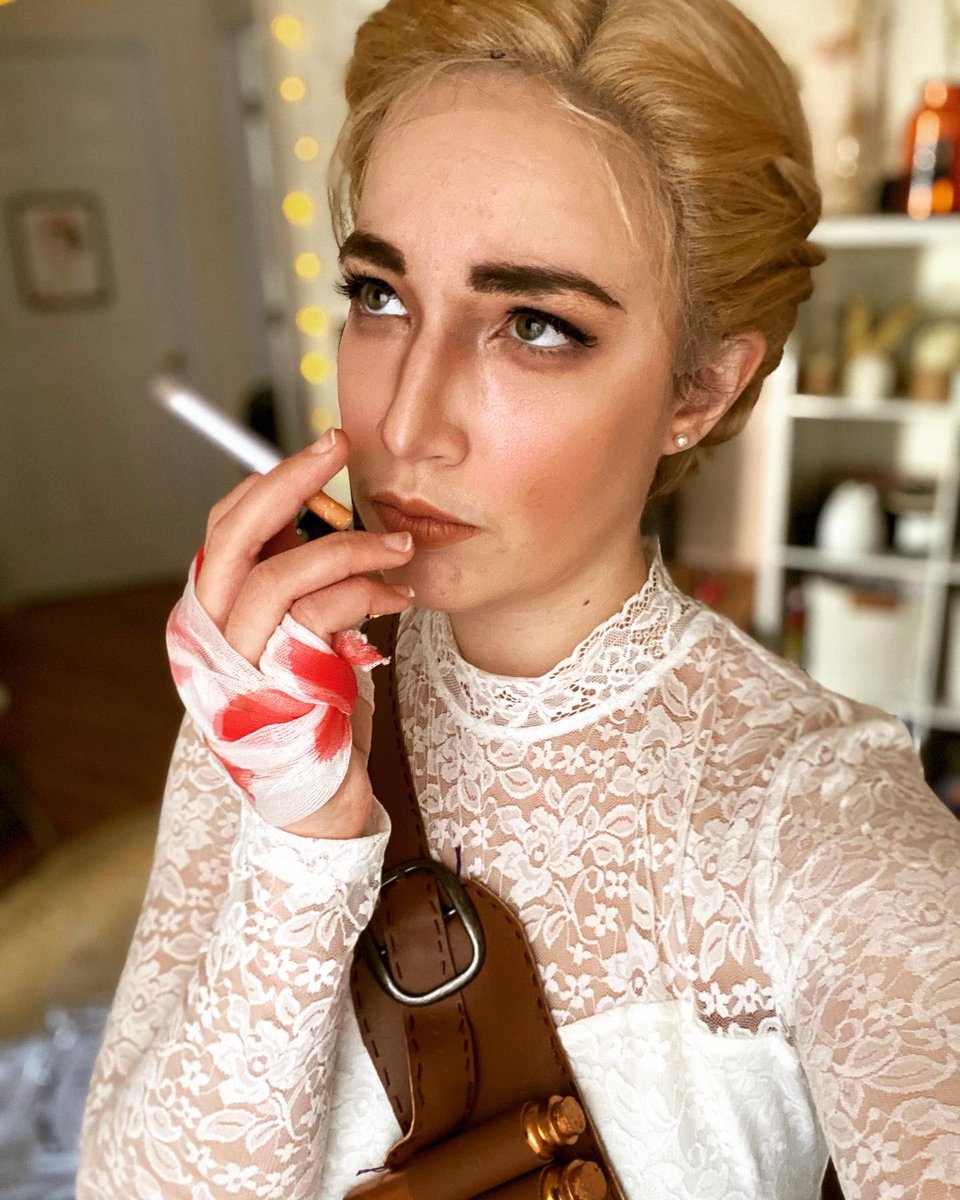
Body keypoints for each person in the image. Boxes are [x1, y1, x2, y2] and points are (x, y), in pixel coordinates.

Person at [76, 1, 960, 1197]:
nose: (406, 421)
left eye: (535, 325)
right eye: (380, 296)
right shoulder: (279, 689)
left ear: (701, 387)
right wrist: (301, 842)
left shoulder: (826, 829)